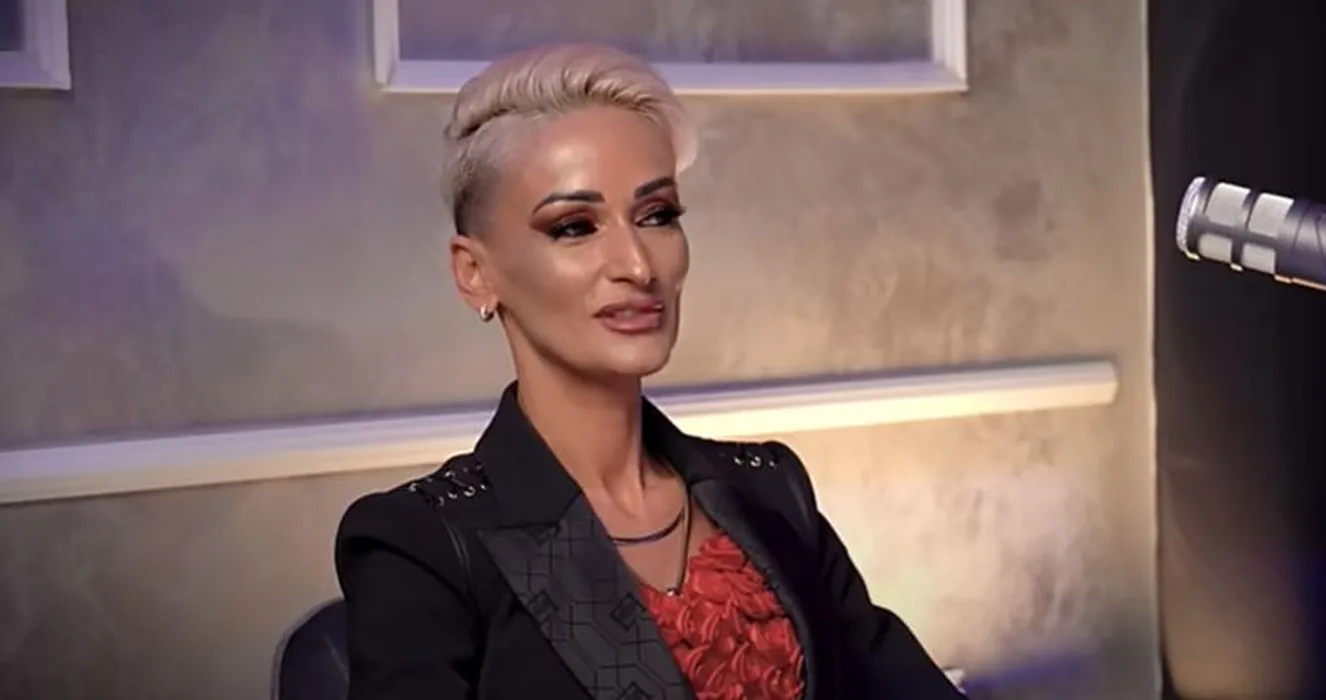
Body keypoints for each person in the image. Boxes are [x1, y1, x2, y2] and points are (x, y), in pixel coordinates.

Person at [333, 43, 966, 700]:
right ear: (475, 273)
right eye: (574, 227)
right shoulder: (420, 544)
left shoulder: (771, 490)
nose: (638, 266)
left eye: (657, 216)